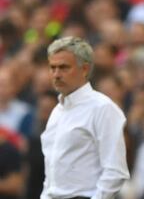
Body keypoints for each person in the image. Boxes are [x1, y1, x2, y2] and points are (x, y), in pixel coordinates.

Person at [40, 36, 130, 199]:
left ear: (85, 69)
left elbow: (115, 171)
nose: (56, 74)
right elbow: (52, 175)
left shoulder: (103, 108)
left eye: (63, 67)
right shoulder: (57, 111)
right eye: (52, 68)